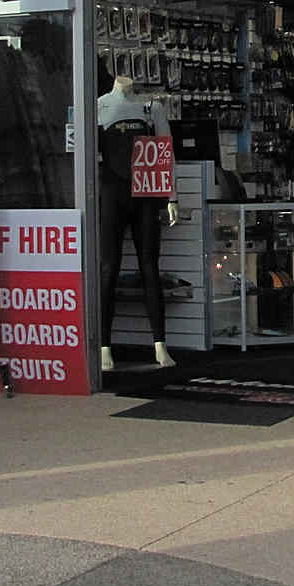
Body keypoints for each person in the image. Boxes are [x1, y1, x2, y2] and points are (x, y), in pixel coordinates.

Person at [97, 74, 179, 371]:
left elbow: (167, 154)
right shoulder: (98, 107)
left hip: (147, 194)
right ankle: (103, 345)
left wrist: (172, 197)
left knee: (150, 268)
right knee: (109, 268)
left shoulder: (152, 108)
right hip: (112, 194)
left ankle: (160, 343)